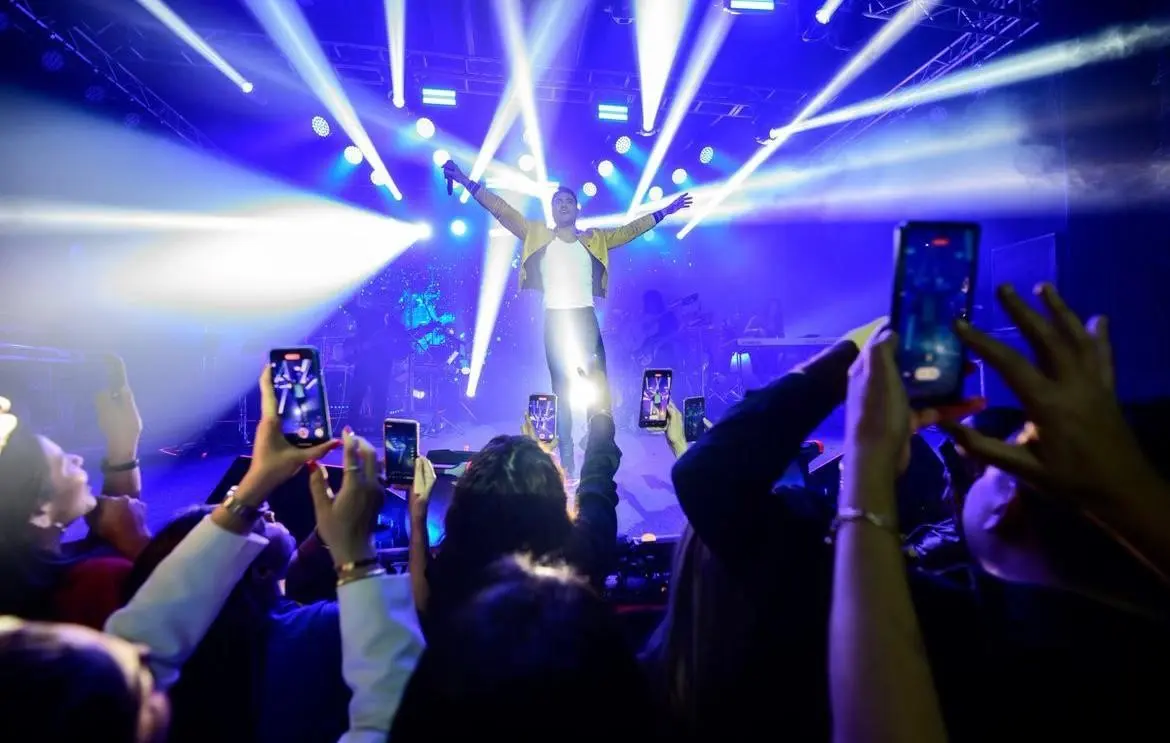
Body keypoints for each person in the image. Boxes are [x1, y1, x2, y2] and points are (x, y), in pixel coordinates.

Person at [442, 159, 692, 473]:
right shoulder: (536, 233)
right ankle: (570, 462)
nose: (563, 205)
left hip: (586, 319)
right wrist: (466, 181)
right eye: (558, 201)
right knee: (561, 389)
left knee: (597, 388)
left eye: (568, 201)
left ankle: (596, 451)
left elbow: (630, 231)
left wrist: (663, 212)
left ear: (576, 209)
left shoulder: (595, 238)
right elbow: (501, 210)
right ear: (552, 210)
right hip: (556, 320)